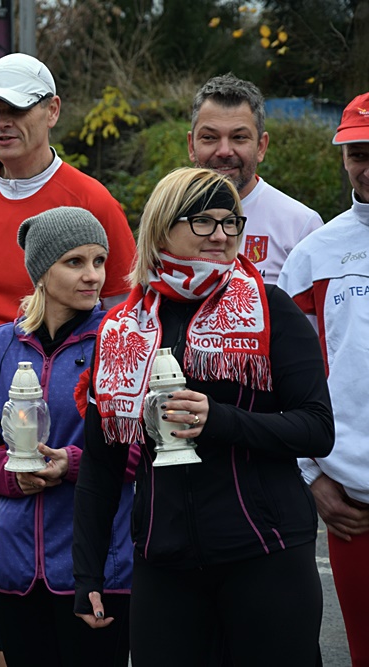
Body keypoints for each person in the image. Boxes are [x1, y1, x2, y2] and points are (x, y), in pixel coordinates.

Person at [72, 167, 334, 666]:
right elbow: (102, 465)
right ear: (161, 229)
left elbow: (317, 428)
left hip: (265, 553)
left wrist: (220, 419)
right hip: (163, 560)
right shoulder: (123, 326)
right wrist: (87, 573)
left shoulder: (270, 308)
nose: (220, 234)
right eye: (202, 221)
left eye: (230, 222)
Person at [0, 52, 136, 667]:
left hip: (74, 441)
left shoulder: (89, 199)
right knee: (1, 613)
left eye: (18, 110)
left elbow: (123, 314)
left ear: (52, 111)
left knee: (77, 619)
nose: (3, 122)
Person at [0, 207, 134, 666]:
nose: (92, 275)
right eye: (74, 262)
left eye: (99, 261)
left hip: (98, 567)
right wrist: (7, 473)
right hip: (15, 569)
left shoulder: (121, 341)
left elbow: (146, 447)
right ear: (41, 270)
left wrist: (75, 463)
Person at [278, 91, 369, 667]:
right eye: (357, 152)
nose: (368, 164)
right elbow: (283, 383)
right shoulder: (314, 255)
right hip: (352, 502)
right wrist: (312, 476)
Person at [188, 73, 323, 285]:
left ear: (261, 146)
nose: (224, 151)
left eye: (239, 137)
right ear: (191, 145)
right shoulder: (167, 218)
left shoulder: (301, 226)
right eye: (210, 137)